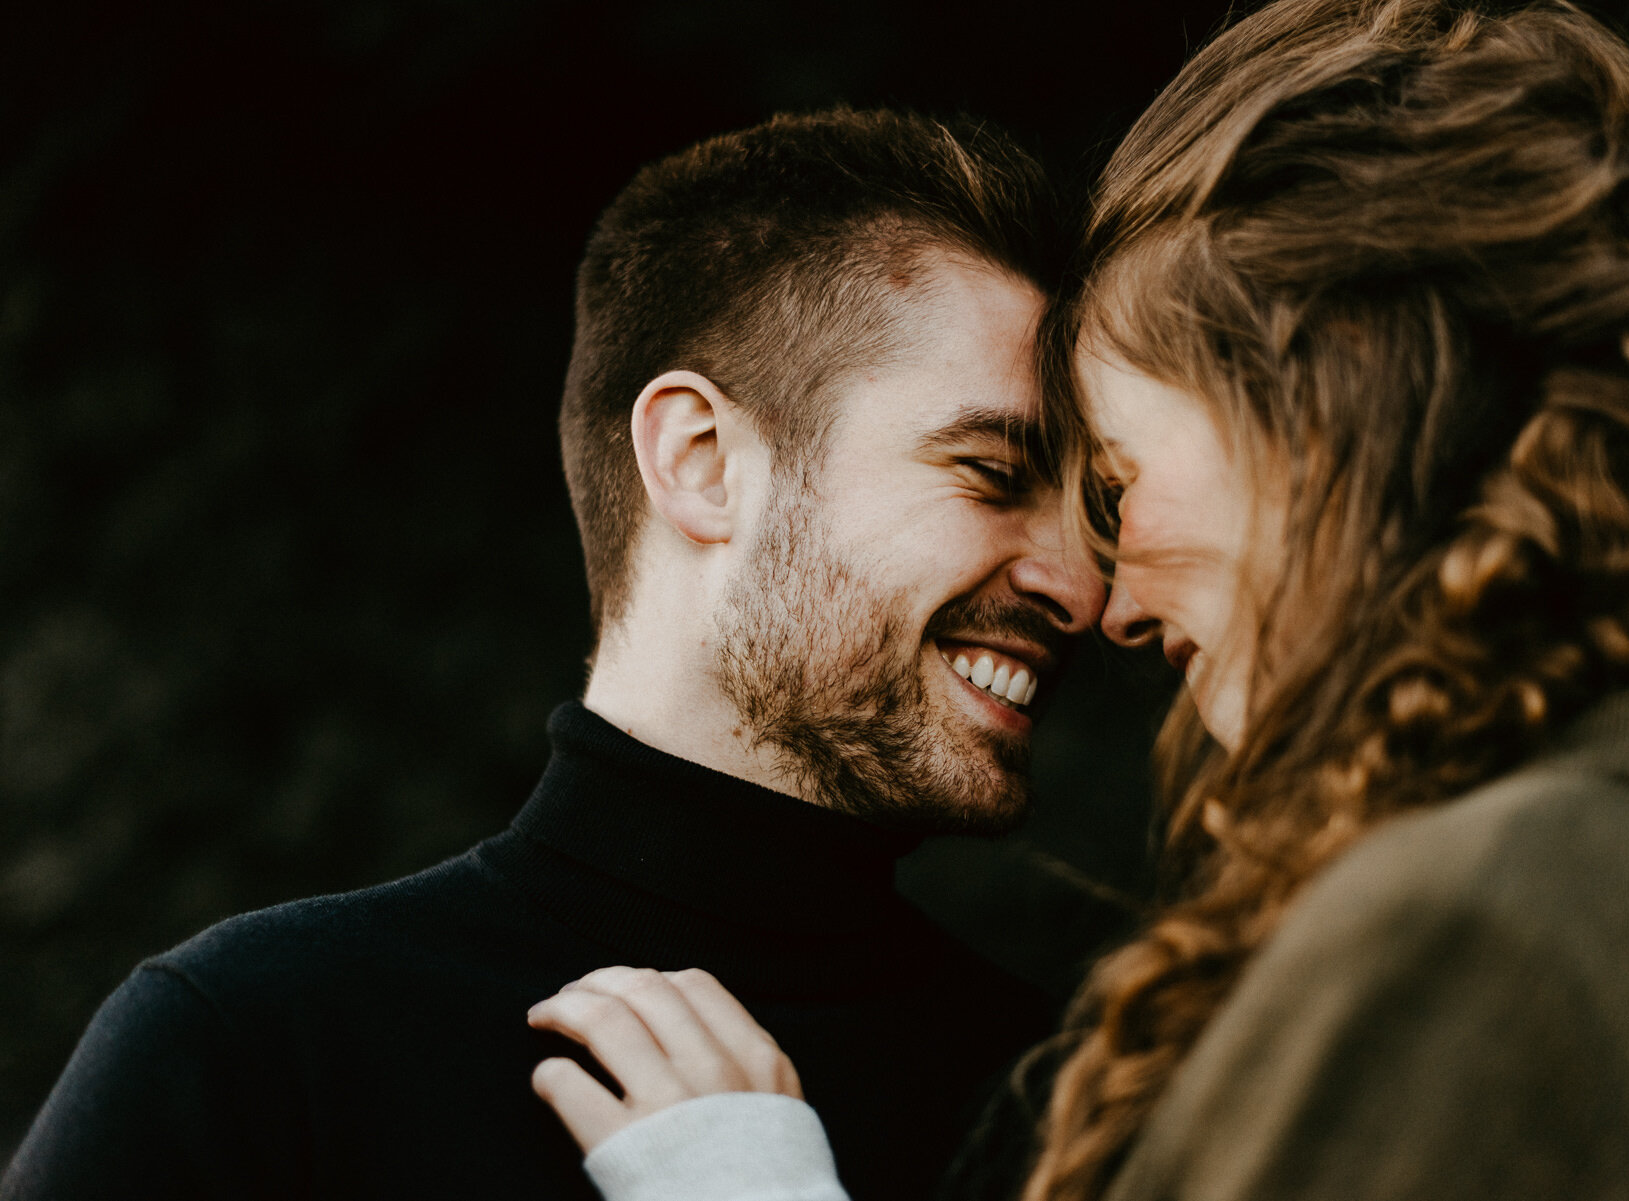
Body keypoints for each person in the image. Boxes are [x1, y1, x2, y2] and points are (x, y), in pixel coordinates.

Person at [520, 2, 1629, 1198]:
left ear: (1322, 412)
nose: (1102, 601)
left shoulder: (1467, 927)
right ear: (694, 460)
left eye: (1118, 483)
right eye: (991, 473)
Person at [2, 109, 1106, 1201]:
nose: (1082, 586)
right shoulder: (256, 1048)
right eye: (994, 474)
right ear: (703, 461)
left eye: (1097, 511)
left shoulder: (1078, 1110)